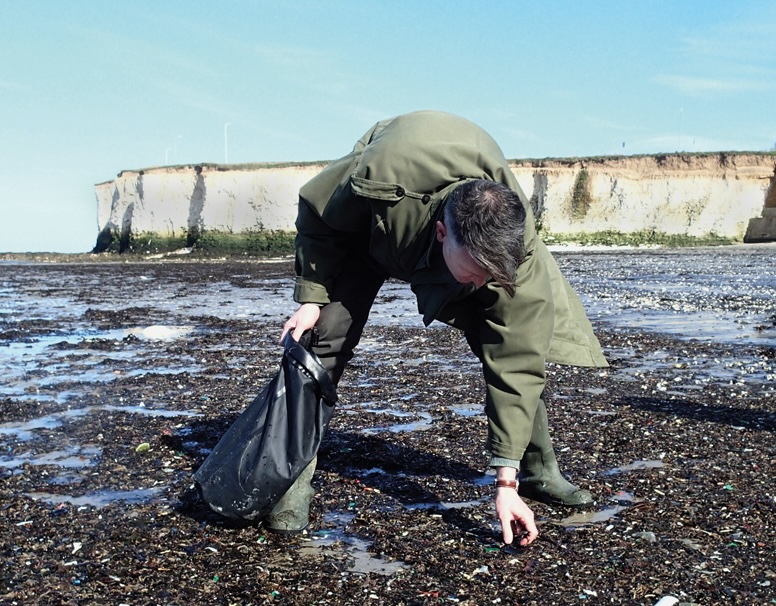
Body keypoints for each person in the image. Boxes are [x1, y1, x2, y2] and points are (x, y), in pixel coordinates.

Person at [271, 110, 608, 547]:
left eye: (488, 277)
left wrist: (505, 483)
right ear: (442, 232)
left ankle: (537, 469)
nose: (479, 285)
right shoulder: (379, 173)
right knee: (323, 343)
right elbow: (319, 215)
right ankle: (290, 478)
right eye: (473, 272)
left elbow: (517, 362)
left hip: (468, 248)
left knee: (516, 351)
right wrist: (312, 297)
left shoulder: (514, 258)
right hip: (370, 229)